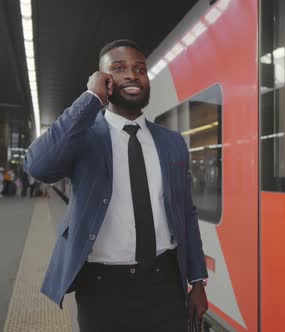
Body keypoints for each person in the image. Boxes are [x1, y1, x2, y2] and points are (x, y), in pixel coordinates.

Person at [24, 39, 208, 331]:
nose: (132, 75)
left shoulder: (171, 143)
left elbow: (186, 213)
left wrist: (197, 280)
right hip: (103, 291)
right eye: (119, 68)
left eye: (140, 69)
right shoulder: (83, 137)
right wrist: (90, 98)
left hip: (166, 286)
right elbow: (37, 166)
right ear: (103, 79)